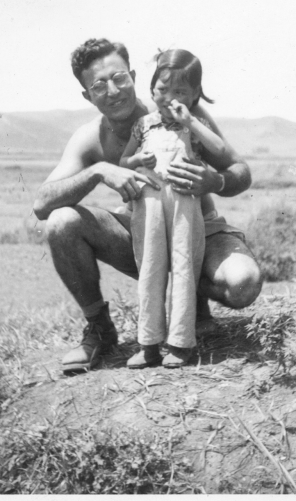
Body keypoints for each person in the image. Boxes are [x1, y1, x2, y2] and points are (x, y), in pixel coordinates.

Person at [33, 38, 261, 373]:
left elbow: (240, 171)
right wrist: (99, 171)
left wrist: (214, 182)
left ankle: (193, 307)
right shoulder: (91, 138)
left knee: (243, 283)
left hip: (201, 232)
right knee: (61, 222)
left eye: (119, 78)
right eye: (98, 85)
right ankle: (100, 329)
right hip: (143, 235)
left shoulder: (180, 110)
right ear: (87, 95)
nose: (112, 91)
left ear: (135, 76)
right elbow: (42, 203)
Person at [119, 49, 229, 368]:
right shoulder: (143, 125)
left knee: (183, 267)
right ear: (151, 90)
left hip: (183, 203)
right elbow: (124, 161)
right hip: (149, 203)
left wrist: (190, 121)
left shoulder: (194, 125)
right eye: (162, 89)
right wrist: (137, 160)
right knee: (150, 268)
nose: (169, 97)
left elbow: (220, 150)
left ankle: (180, 343)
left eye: (180, 91)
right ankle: (149, 344)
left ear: (194, 95)